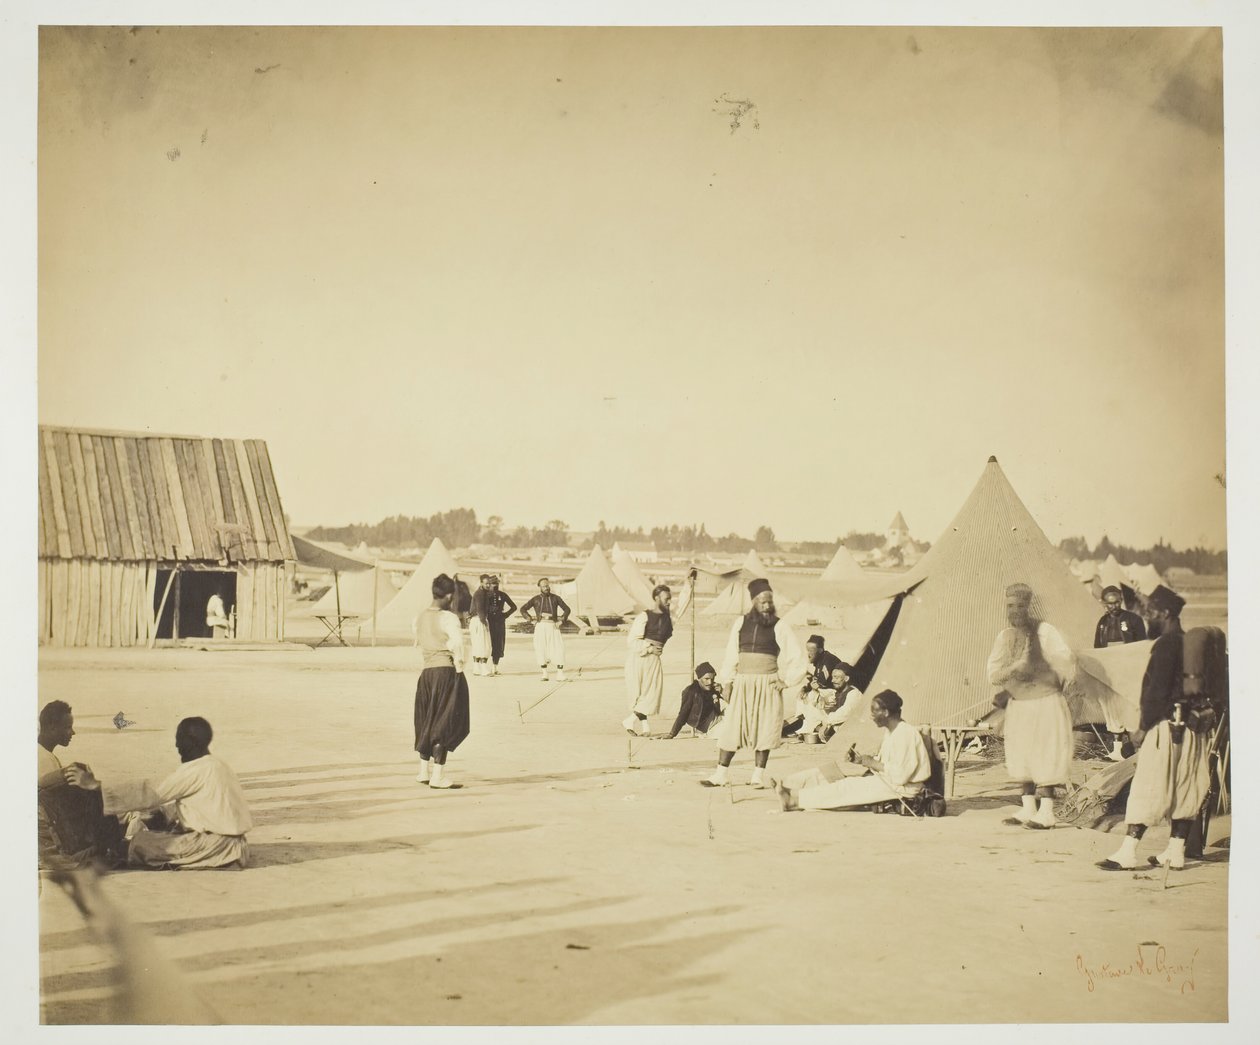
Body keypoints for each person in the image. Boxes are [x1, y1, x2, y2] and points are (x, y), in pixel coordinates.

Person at [1098, 586, 1211, 871]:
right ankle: (1175, 852)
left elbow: (1156, 693)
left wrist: (1141, 729)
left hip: (1163, 727)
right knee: (1185, 787)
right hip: (1192, 730)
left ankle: (1127, 853)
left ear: (1165, 613)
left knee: (1149, 787)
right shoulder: (1192, 644)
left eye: (1151, 613)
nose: (1147, 618)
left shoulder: (1166, 644)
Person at [69, 717, 253, 870]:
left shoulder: (198, 769)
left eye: (180, 740)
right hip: (234, 845)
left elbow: (151, 793)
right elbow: (197, 805)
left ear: (191, 742)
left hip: (216, 846)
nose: (177, 746)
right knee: (151, 825)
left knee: (140, 842)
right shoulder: (218, 765)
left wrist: (95, 785)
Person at [987, 582, 1079, 830]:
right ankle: (1028, 807)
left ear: (1029, 606)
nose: (1015, 610)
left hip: (1045, 702)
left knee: (1044, 752)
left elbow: (1067, 662)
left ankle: (1047, 812)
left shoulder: (1045, 631)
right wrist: (1014, 669)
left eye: (1020, 605)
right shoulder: (1004, 636)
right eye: (1010, 606)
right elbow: (993, 673)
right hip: (1019, 704)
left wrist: (1043, 672)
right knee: (1021, 753)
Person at [701, 578, 808, 789]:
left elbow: (797, 657)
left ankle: (757, 776)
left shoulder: (780, 625)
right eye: (762, 602)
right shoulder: (740, 623)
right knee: (732, 727)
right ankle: (720, 774)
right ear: (753, 602)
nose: (767, 606)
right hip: (743, 684)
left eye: (769, 601)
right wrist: (728, 682)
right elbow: (731, 654)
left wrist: (786, 681)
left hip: (768, 684)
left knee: (765, 728)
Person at [774, 690, 931, 811]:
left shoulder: (905, 734)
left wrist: (872, 763)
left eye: (874, 711)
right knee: (834, 771)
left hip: (905, 789)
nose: (871, 716)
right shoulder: (893, 732)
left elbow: (901, 776)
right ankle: (790, 787)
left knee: (847, 786)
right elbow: (889, 764)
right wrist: (862, 760)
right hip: (891, 781)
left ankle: (794, 801)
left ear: (886, 712)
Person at [37, 701, 128, 870]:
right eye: (67, 727)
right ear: (51, 728)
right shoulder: (44, 761)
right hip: (60, 837)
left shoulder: (40, 754)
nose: (72, 732)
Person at [413, 573, 471, 789]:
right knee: (445, 720)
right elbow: (457, 646)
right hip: (445, 672)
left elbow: (418, 642)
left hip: (426, 673)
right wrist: (459, 667)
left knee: (426, 718)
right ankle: (438, 777)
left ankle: (423, 772)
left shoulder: (419, 617)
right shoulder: (448, 618)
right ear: (448, 596)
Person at [622, 579, 693, 736]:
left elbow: (683, 604)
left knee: (652, 694)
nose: (669, 602)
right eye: (666, 599)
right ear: (656, 598)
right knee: (640, 693)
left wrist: (688, 584)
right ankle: (643, 726)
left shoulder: (670, 618)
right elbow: (631, 641)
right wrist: (649, 648)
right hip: (638, 658)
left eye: (670, 599)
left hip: (653, 660)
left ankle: (630, 721)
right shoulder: (644, 616)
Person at [1093, 584, 1148, 760]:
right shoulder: (1102, 623)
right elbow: (1097, 647)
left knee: (1131, 706)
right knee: (1112, 707)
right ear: (1104, 604)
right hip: (1110, 672)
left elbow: (1142, 646)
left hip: (1129, 670)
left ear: (1121, 601)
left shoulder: (1133, 620)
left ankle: (1135, 747)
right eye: (1110, 604)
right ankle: (1117, 750)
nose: (1113, 607)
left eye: (1117, 602)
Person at [519, 577, 574, 682]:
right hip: (540, 626)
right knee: (541, 648)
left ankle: (560, 674)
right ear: (540, 587)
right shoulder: (535, 599)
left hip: (553, 626)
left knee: (558, 648)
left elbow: (567, 609)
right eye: (544, 586)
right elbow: (523, 609)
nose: (546, 588)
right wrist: (531, 620)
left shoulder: (556, 598)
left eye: (548, 585)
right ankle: (545, 674)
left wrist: (561, 621)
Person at [664, 662, 725, 738]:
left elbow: (733, 702)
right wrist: (672, 734)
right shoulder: (691, 691)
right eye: (706, 679)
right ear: (699, 678)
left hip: (718, 720)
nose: (709, 682)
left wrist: (722, 691)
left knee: (736, 710)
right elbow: (683, 714)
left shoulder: (713, 687)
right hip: (709, 729)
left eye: (712, 679)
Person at [484, 575, 517, 674]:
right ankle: (483, 667)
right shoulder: (485, 595)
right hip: (488, 621)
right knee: (487, 643)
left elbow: (514, 607)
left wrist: (505, 615)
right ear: (490, 584)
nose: (495, 585)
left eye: (497, 583)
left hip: (499, 623)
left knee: (498, 644)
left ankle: (495, 667)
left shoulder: (502, 595)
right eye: (494, 583)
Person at [468, 575, 494, 676]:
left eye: (489, 583)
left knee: (477, 644)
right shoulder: (480, 594)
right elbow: (480, 610)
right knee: (485, 645)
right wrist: (484, 621)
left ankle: (476, 668)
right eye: (486, 583)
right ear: (481, 583)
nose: (488, 585)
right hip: (479, 620)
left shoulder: (482, 593)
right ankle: (483, 669)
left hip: (475, 621)